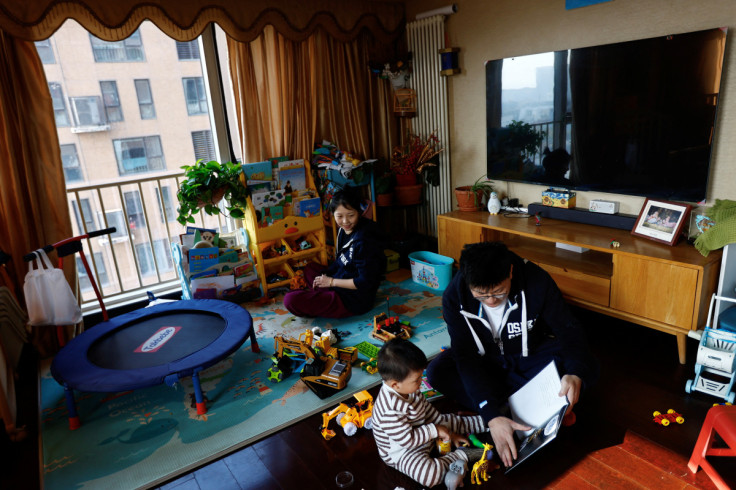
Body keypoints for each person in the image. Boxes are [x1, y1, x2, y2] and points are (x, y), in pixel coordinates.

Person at [426, 241, 598, 468]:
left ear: (510, 271)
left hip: (531, 353)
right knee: (437, 372)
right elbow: (466, 357)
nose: (490, 301)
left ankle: (512, 406)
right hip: (485, 359)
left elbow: (568, 330)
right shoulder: (453, 296)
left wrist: (575, 373)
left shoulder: (537, 281)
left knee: (585, 368)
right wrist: (491, 415)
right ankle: (521, 409)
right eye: (481, 295)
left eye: (498, 292)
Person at [372, 338, 489, 488]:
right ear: (395, 384)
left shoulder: (409, 388)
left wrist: (448, 431)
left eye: (421, 376)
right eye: (417, 379)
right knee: (429, 475)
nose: (421, 381)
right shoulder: (388, 410)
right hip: (403, 451)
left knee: (450, 421)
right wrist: (436, 430)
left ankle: (486, 421)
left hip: (423, 431)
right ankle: (463, 455)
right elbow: (408, 440)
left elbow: (427, 410)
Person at [283, 186, 386, 318]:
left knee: (290, 300)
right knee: (310, 269)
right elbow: (340, 261)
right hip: (340, 281)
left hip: (353, 300)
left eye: (351, 215)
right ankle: (321, 298)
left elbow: (364, 282)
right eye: (339, 216)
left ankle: (321, 300)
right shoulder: (344, 230)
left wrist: (331, 281)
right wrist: (325, 277)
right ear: (333, 214)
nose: (345, 221)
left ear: (359, 212)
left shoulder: (365, 240)